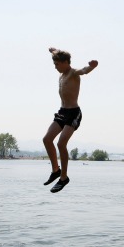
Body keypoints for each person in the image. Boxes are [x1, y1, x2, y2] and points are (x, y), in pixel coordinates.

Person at [43, 47, 98, 193]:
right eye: (54, 65)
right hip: (62, 111)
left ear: (66, 63)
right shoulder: (61, 74)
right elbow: (57, 53)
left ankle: (63, 177)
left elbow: (84, 70)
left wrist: (92, 66)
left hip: (74, 113)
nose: (56, 68)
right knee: (47, 139)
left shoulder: (73, 73)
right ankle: (55, 170)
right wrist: (53, 51)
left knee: (61, 143)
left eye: (57, 65)